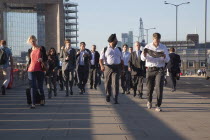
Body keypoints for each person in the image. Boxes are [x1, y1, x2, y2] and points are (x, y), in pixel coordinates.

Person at [141, 33, 170, 112]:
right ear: (153, 39)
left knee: (159, 87)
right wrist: (144, 54)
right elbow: (143, 59)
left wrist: (164, 57)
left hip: (159, 69)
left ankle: (158, 105)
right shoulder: (147, 46)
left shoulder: (163, 47)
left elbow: (167, 59)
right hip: (150, 69)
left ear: (160, 39)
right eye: (155, 40)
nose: (156, 42)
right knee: (149, 88)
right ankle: (149, 101)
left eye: (158, 40)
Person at [99, 34, 123, 104]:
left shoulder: (119, 49)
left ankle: (115, 98)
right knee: (107, 82)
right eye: (116, 39)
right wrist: (101, 66)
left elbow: (121, 60)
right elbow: (101, 59)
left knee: (115, 83)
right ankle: (108, 94)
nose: (117, 41)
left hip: (116, 67)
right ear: (112, 41)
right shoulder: (105, 49)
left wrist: (122, 69)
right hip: (107, 67)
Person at [27, 35, 47, 109]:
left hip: (40, 70)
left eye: (34, 41)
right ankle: (33, 103)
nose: (33, 42)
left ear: (36, 40)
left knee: (40, 87)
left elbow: (46, 57)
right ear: (29, 42)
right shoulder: (30, 50)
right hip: (31, 70)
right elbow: (29, 60)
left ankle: (42, 100)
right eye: (31, 41)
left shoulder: (41, 48)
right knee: (33, 87)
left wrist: (42, 59)